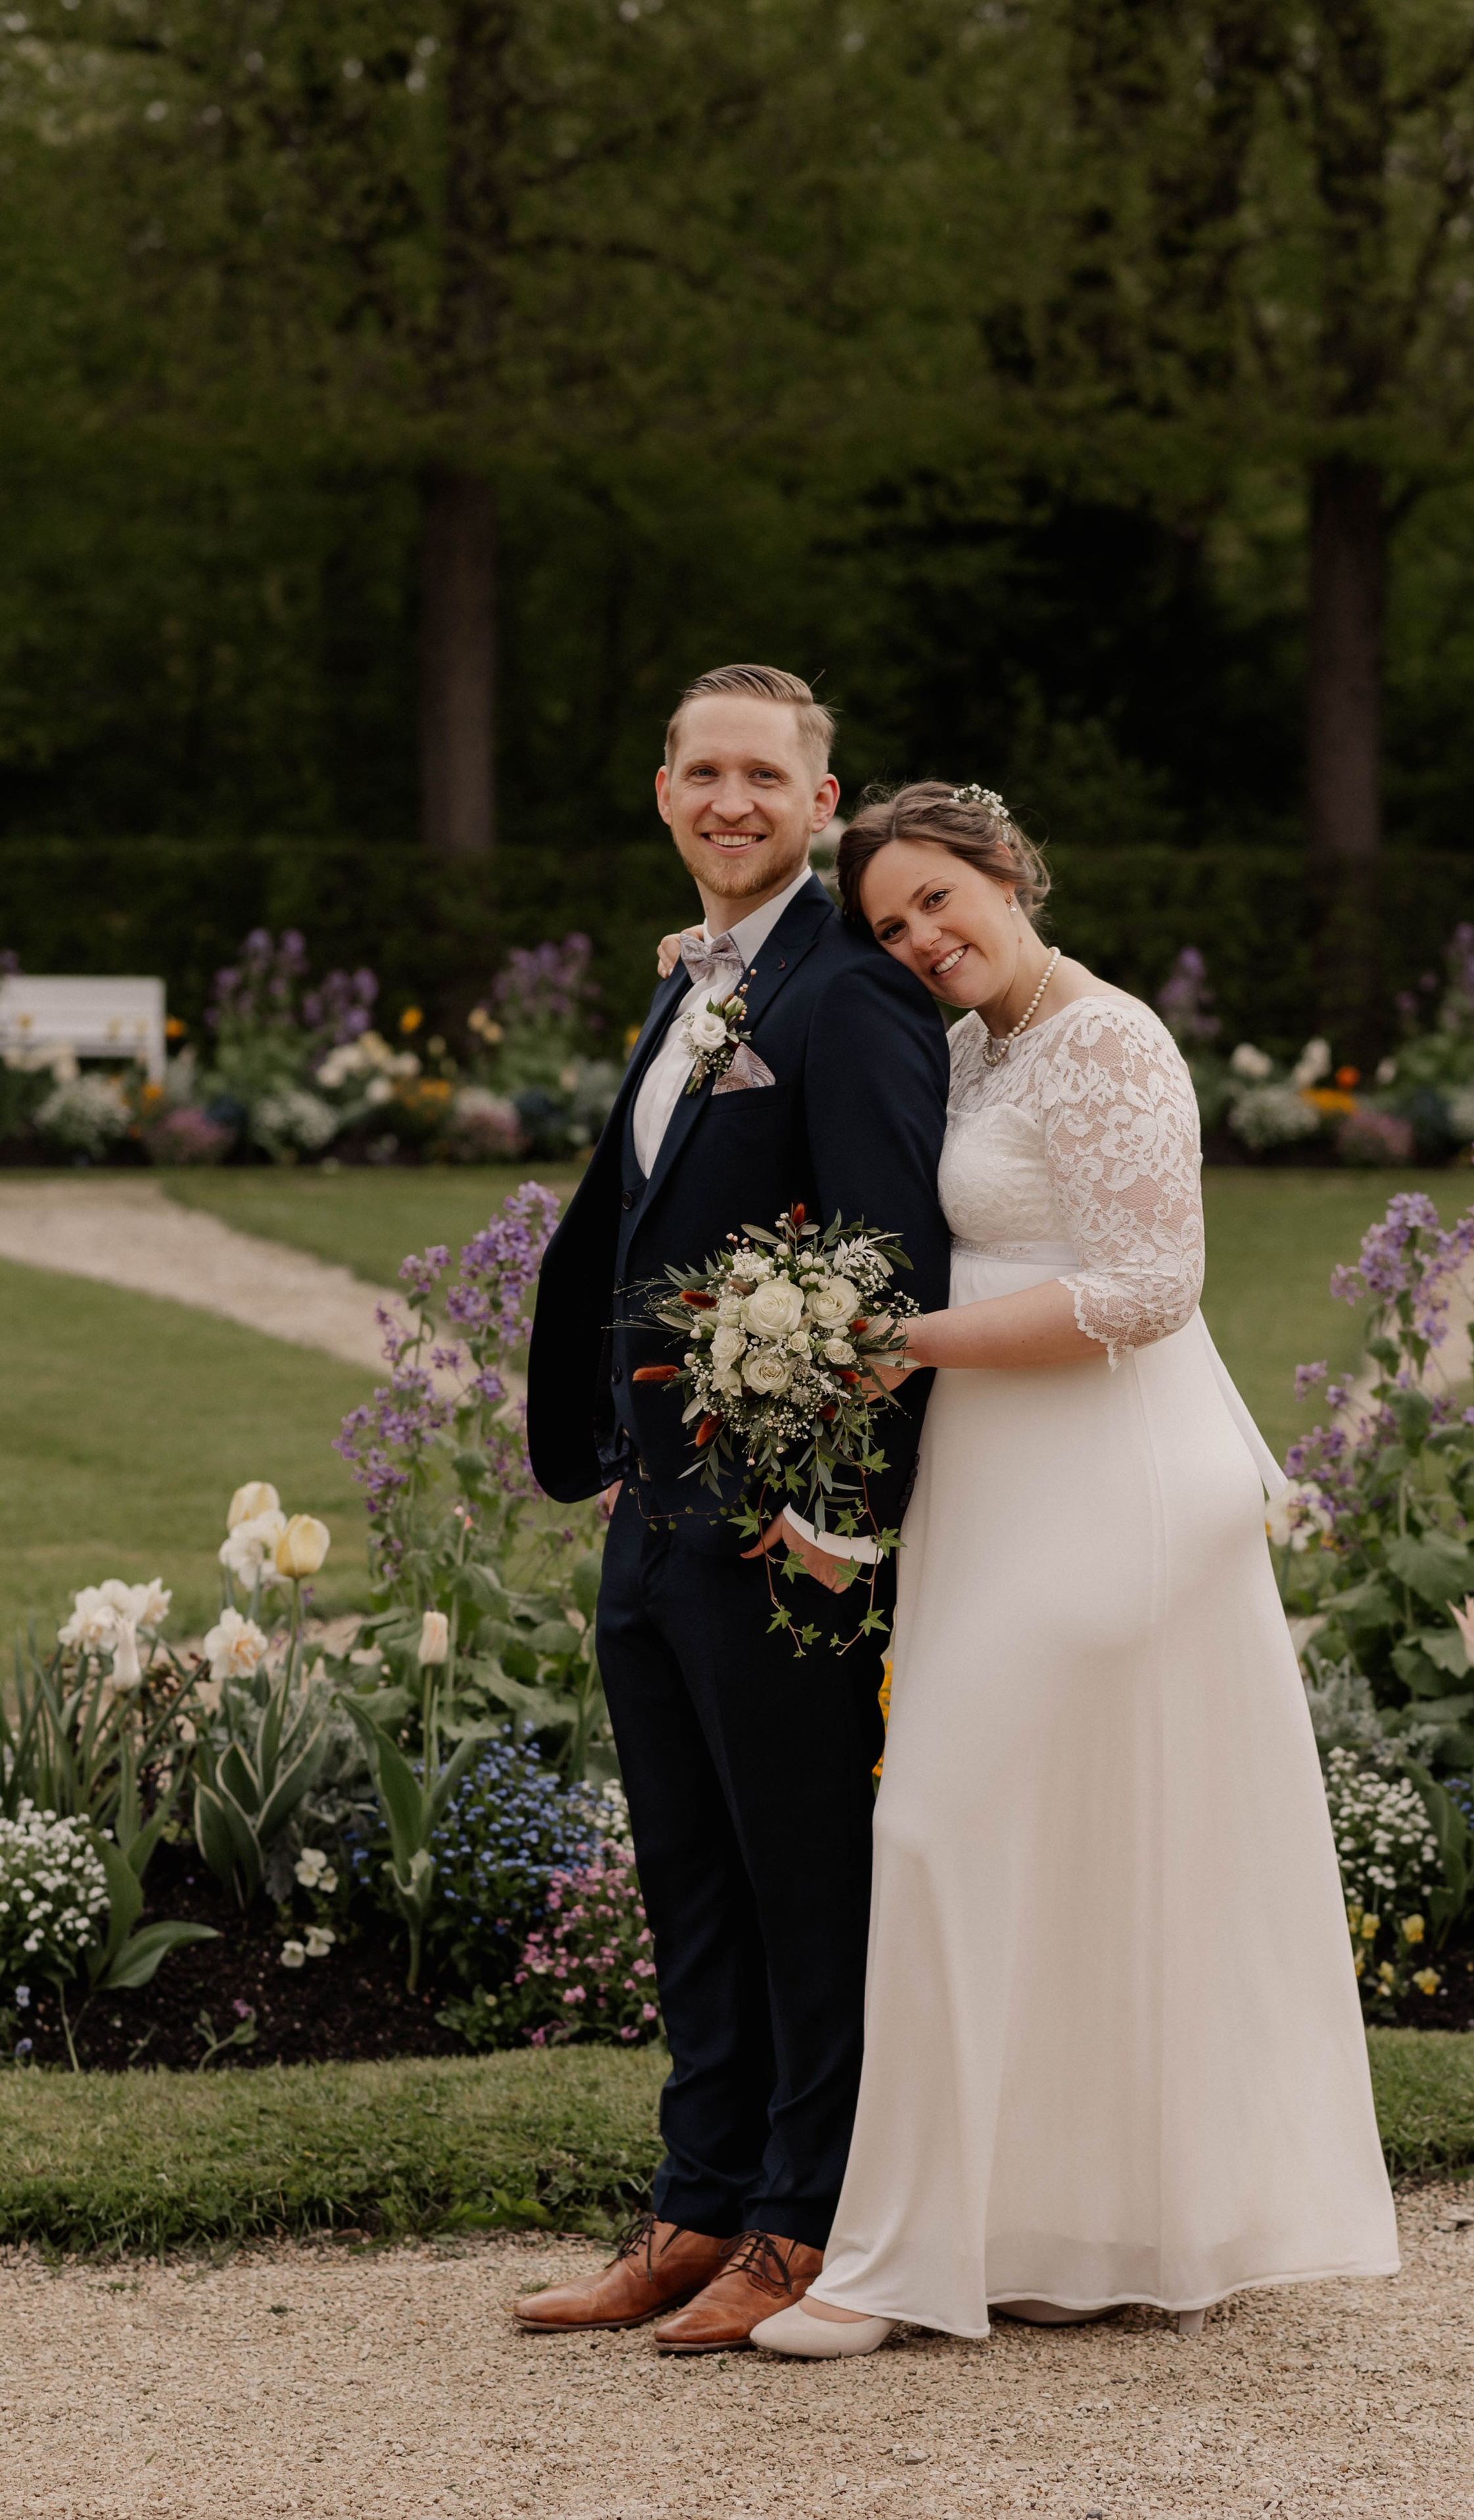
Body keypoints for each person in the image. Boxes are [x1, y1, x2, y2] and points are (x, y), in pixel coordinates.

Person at [739, 780, 1400, 2358]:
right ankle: (1056, 2232)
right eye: (890, 925)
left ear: (1007, 871)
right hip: (1001, 1479)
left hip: (1110, 1476)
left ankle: (887, 2265)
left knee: (941, 1821)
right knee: (1054, 1848)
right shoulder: (979, 1044)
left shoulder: (1108, 1040)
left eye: (937, 903)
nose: (918, 939)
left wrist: (894, 1346)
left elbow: (1153, 1285)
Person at [513, 670, 950, 2352]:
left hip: (784, 1539)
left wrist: (839, 1522)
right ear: (660, 791)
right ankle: (694, 2207)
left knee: (800, 1884)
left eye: (763, 774)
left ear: (820, 803)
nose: (730, 799)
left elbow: (890, 1270)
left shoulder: (845, 999)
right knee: (689, 1877)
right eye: (702, 770)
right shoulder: (696, 981)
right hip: (656, 1515)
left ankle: (801, 2220)